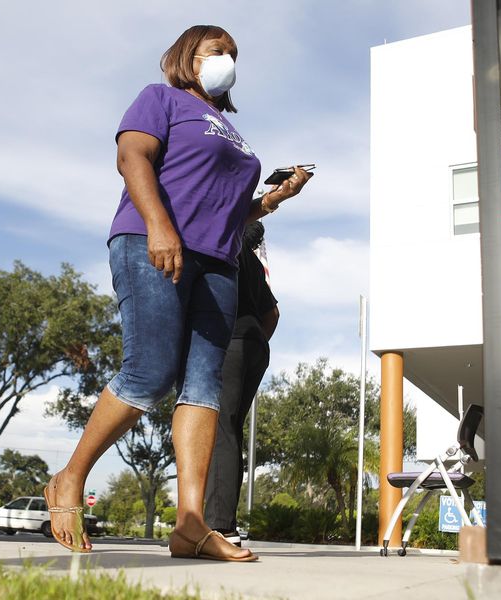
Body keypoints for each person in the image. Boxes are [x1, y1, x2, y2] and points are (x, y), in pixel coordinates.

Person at [44, 25, 311, 562]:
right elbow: (133, 159)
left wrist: (273, 199)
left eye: (234, 54)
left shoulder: (230, 128)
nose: (228, 60)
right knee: (150, 370)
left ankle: (191, 524)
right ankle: (69, 477)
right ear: (188, 57)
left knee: (204, 386)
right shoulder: (159, 99)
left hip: (218, 262)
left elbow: (229, 209)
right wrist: (160, 226)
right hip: (152, 242)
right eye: (218, 51)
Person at [205, 221, 277, 547]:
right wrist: (254, 340)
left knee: (220, 427)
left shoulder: (219, 241)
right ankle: (221, 522)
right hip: (253, 344)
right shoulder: (251, 260)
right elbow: (272, 313)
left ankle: (220, 527)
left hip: (232, 340)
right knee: (229, 429)